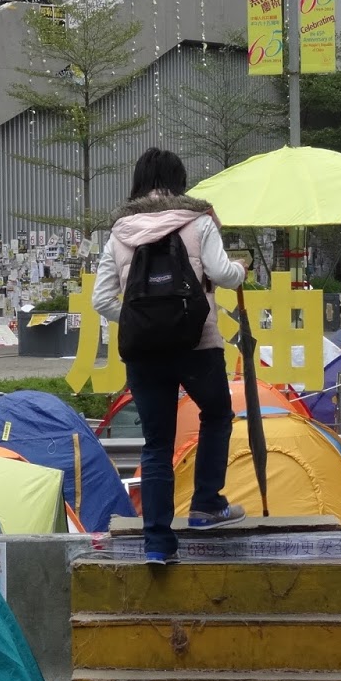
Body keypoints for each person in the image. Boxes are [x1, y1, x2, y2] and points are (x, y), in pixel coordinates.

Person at [94, 148, 247, 564]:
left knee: (157, 444)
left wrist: (139, 321)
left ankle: (158, 544)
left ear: (138, 182)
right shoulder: (198, 220)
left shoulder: (120, 232)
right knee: (216, 415)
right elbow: (222, 274)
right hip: (197, 344)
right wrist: (241, 270)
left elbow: (101, 300)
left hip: (144, 353)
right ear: (179, 182)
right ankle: (206, 504)